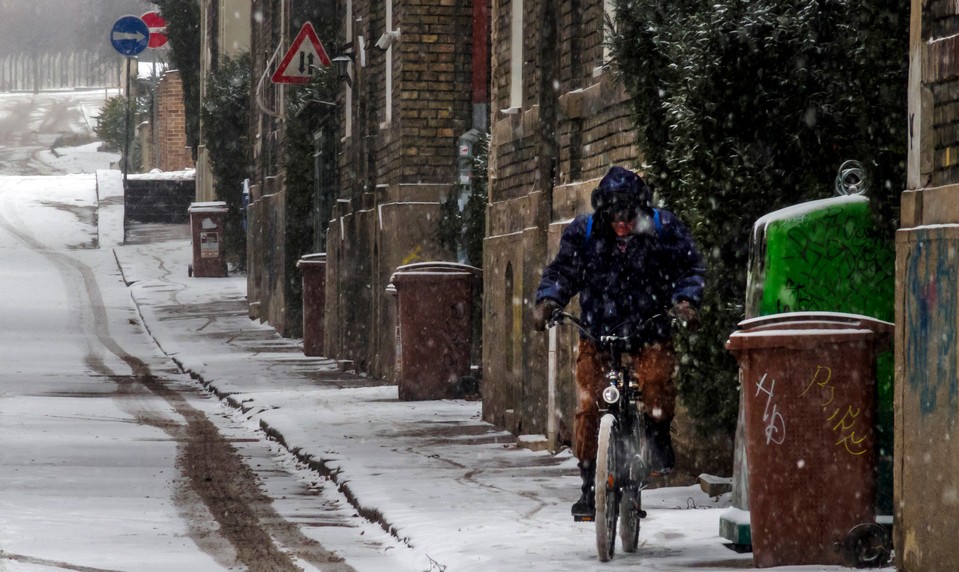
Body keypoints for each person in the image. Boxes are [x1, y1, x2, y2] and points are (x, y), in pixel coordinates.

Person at [531, 166, 705, 520]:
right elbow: (563, 271)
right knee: (588, 403)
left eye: (628, 218)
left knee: (656, 380)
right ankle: (587, 485)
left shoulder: (662, 228)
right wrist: (549, 300)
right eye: (615, 219)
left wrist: (686, 301)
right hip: (599, 328)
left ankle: (657, 435)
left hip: (649, 327)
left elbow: (690, 269)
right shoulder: (586, 232)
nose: (622, 226)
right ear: (604, 213)